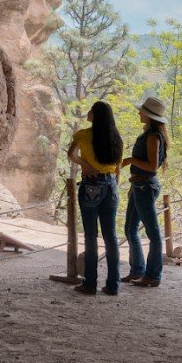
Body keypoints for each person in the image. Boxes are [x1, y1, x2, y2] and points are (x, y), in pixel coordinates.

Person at [65, 101, 124, 296]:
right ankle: (113, 284)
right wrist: (112, 185)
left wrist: (86, 165)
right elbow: (118, 169)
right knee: (111, 237)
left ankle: (90, 283)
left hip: (91, 184)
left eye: (92, 110)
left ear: (95, 115)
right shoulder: (117, 138)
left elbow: (71, 154)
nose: (88, 112)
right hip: (111, 186)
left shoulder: (83, 135)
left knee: (91, 236)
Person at [120, 96, 170, 288]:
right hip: (139, 186)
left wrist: (130, 161)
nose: (139, 113)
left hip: (144, 186)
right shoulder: (151, 134)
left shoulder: (152, 137)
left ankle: (152, 275)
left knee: (153, 233)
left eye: (142, 111)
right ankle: (137, 271)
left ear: (149, 115)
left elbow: (151, 167)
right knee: (130, 229)